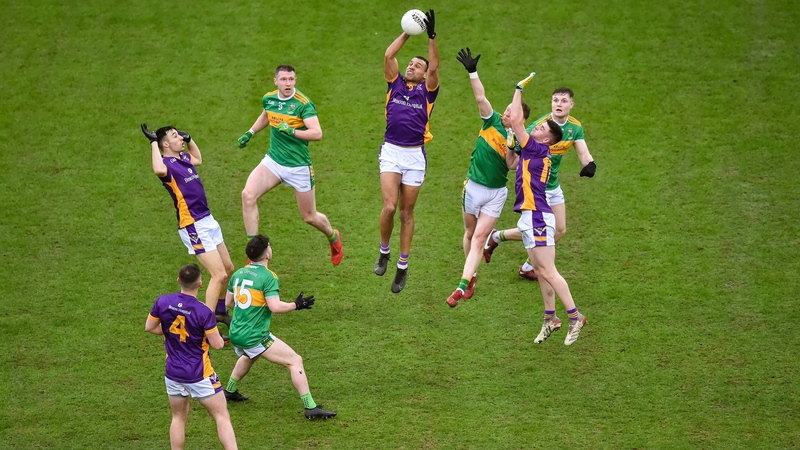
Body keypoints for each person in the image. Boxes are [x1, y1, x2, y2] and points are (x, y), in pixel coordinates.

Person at [505, 74, 587, 345]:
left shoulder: (536, 148)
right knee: (540, 270)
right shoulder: (537, 149)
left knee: (549, 271)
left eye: (540, 129)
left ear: (547, 139)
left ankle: (575, 317)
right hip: (533, 216)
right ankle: (550, 318)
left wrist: (519, 89)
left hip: (537, 217)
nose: (535, 128)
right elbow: (513, 155)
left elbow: (516, 120)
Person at [483, 87, 596, 280]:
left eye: (563, 101)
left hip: (553, 186)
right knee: (535, 231)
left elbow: (583, 152)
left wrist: (590, 164)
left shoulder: (575, 127)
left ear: (571, 104)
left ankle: (521, 260)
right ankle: (500, 239)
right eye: (555, 100)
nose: (559, 104)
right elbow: (516, 156)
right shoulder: (538, 128)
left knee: (559, 230)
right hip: (536, 189)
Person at [446, 48, 530, 308]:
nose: (506, 113)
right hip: (472, 188)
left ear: (520, 120)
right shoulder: (491, 120)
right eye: (506, 109)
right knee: (470, 233)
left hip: (495, 193)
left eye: (511, 112)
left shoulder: (521, 139)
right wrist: (472, 71)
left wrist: (513, 145)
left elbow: (512, 166)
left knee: (480, 238)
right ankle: (471, 278)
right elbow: (480, 96)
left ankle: (462, 284)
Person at [237, 65, 342, 266]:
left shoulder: (303, 104)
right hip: (274, 162)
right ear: (275, 81)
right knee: (247, 195)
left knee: (309, 217)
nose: (288, 83)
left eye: (291, 79)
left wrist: (292, 131)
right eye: (284, 79)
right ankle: (254, 254)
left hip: (298, 167)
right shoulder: (269, 99)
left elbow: (317, 133)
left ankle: (333, 237)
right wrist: (250, 132)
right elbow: (267, 115)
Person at [222, 235, 337, 420]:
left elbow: (229, 302)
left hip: (236, 332)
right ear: (267, 254)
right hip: (255, 335)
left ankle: (229, 391)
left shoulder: (238, 274)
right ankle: (311, 407)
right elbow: (275, 307)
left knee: (249, 355)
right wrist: (296, 305)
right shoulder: (268, 277)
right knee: (295, 360)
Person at [142, 124, 235, 327]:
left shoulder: (183, 159)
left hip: (207, 219)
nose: (180, 138)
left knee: (228, 268)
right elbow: (157, 169)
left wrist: (190, 138)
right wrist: (152, 143)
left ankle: (219, 311)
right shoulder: (166, 166)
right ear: (165, 144)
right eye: (176, 136)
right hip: (193, 224)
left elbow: (198, 159)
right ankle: (206, 327)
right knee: (218, 275)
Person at [375, 9, 439, 293]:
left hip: (415, 157)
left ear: (425, 75)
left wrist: (431, 37)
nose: (412, 66)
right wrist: (407, 31)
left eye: (417, 65)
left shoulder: (428, 91)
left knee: (406, 213)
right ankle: (384, 251)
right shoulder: (395, 83)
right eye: (410, 63)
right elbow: (389, 56)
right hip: (391, 151)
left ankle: (402, 267)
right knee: (388, 207)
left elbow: (435, 68)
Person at [145, 264, 238, 450]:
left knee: (178, 418)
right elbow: (218, 344)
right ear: (200, 284)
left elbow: (150, 327)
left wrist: (171, 334)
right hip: (200, 374)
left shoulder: (163, 302)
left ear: (179, 280)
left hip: (172, 373)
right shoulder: (203, 311)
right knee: (221, 416)